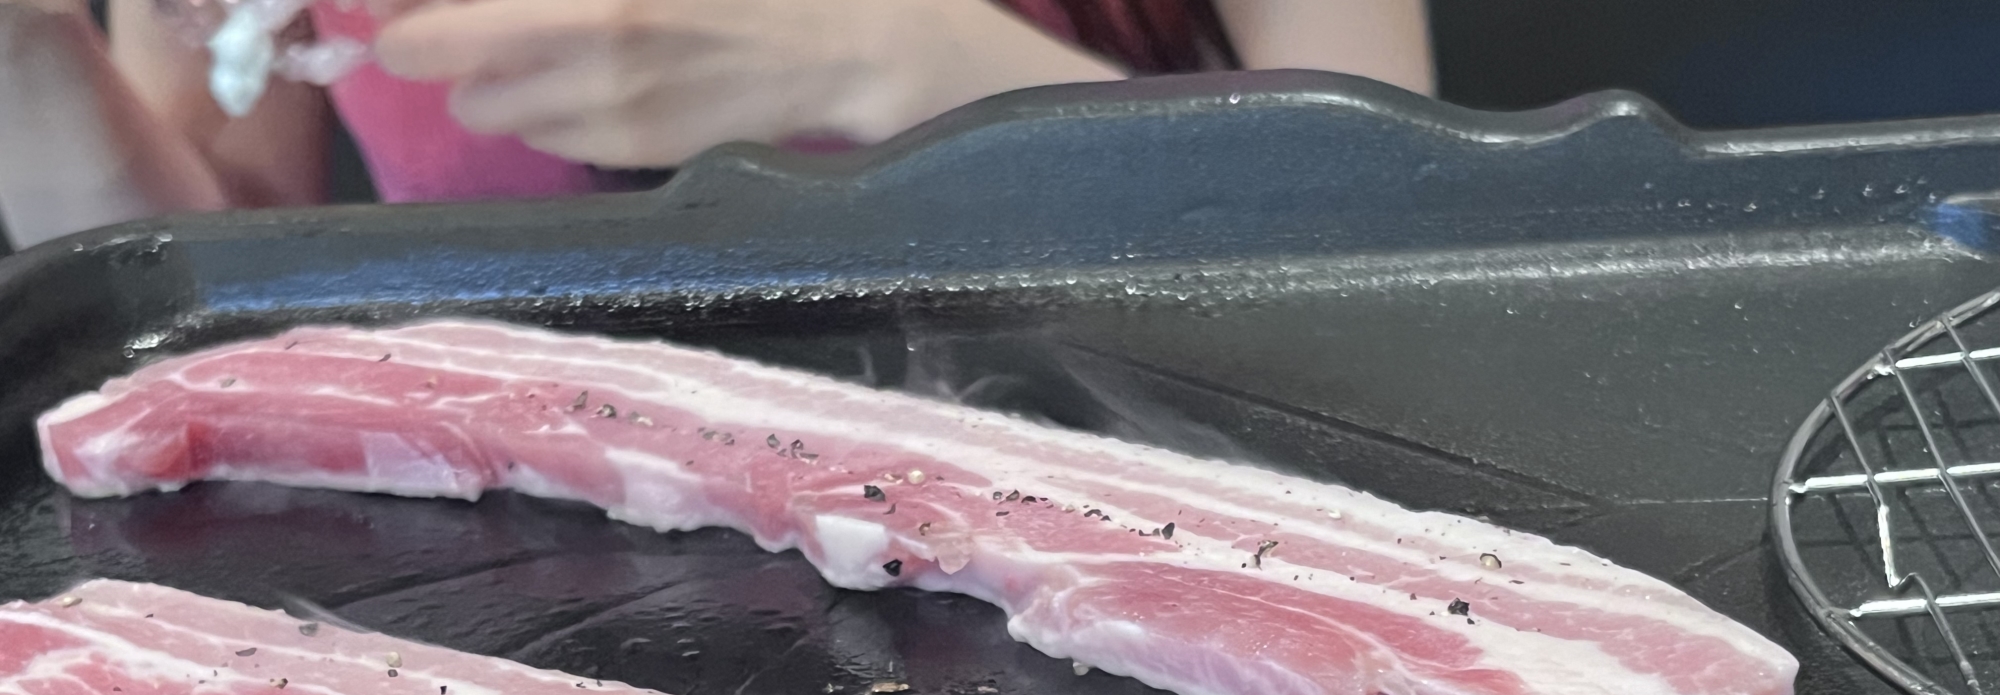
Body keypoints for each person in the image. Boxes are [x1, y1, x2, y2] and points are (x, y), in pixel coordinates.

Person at [0, 0, 1433, 247]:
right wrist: (29, 49)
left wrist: (904, 57)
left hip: (1140, 492)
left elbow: (1406, 242)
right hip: (551, 567)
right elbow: (193, 287)